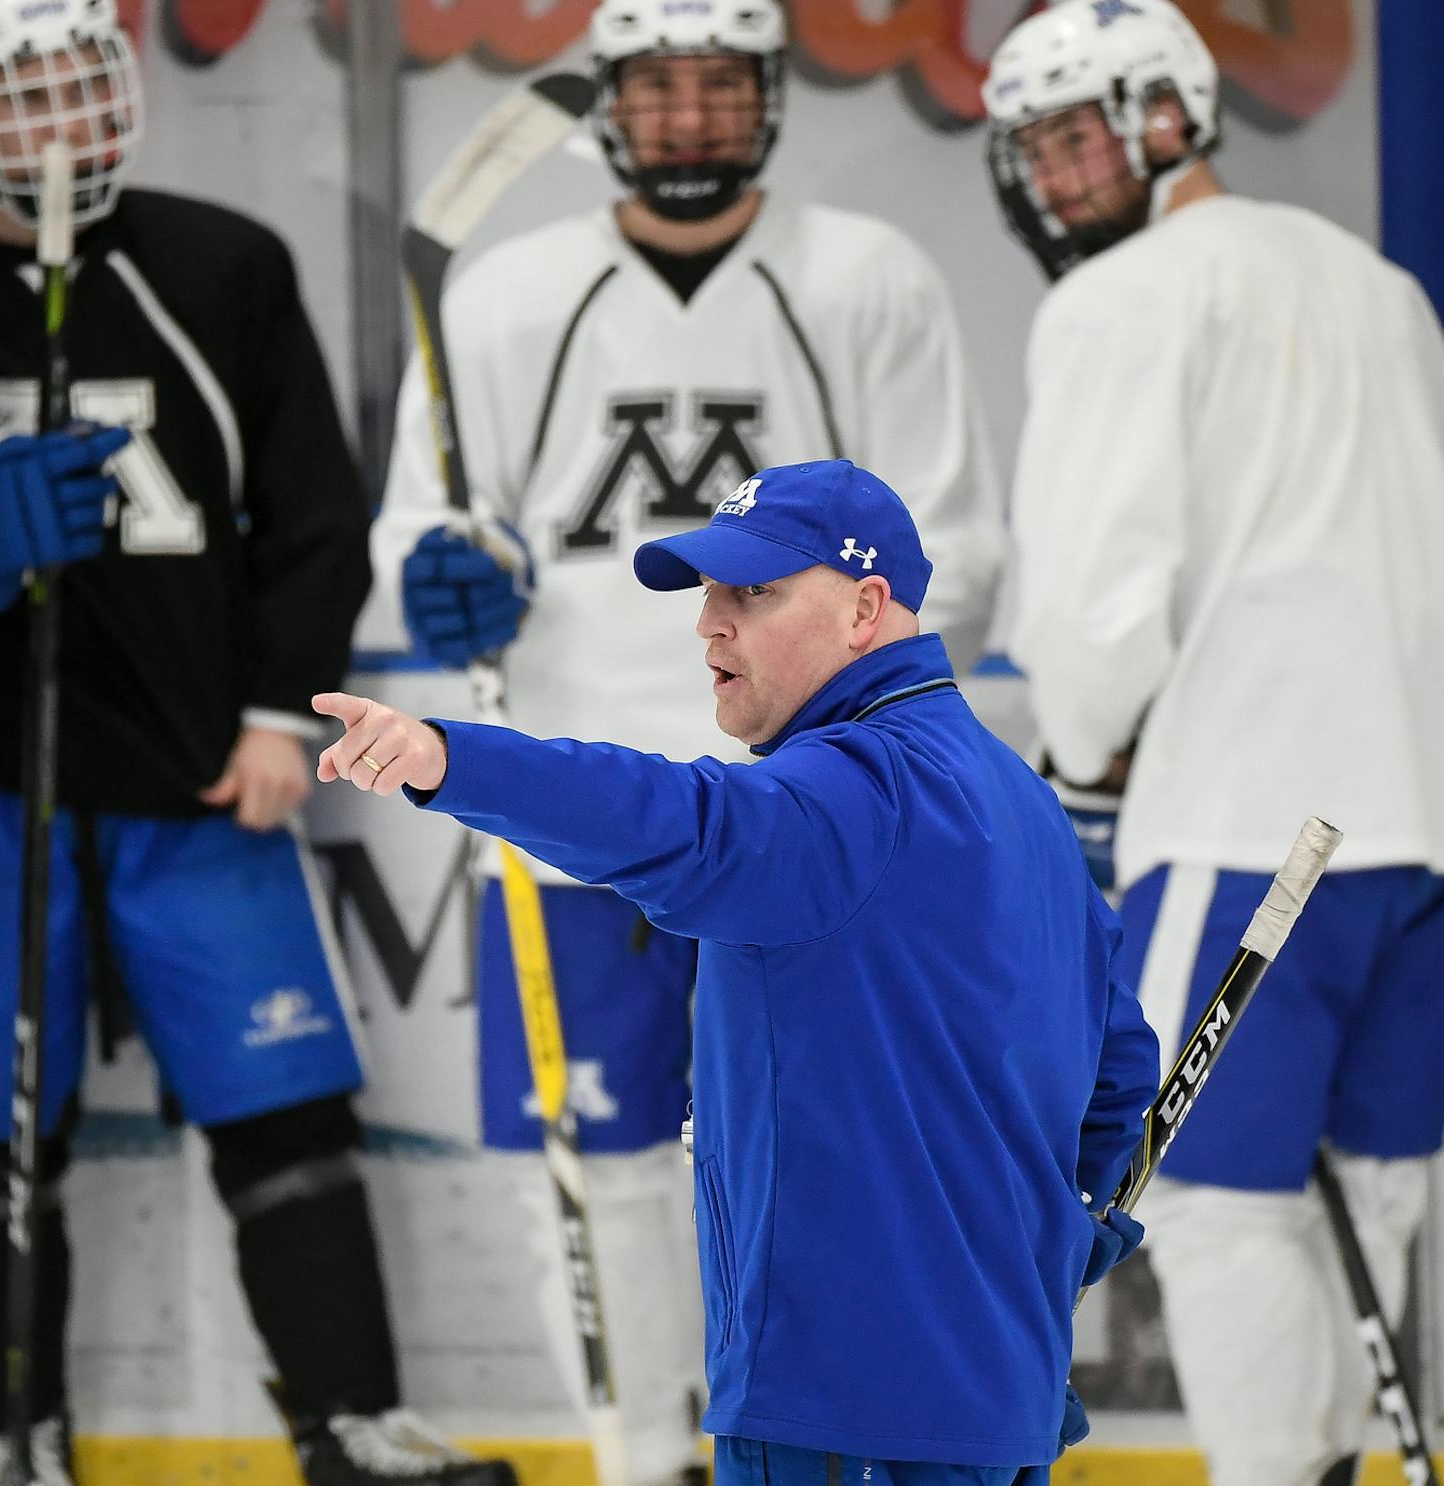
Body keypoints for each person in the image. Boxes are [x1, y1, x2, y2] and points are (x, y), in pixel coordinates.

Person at [0, 4, 518, 1484]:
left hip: (203, 774)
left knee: (289, 1113)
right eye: (11, 92)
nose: (51, 120)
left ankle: (351, 1416)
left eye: (73, 80)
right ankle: (18, 1438)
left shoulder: (224, 263)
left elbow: (314, 519)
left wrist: (283, 709)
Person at [365, 3, 1003, 1473]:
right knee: (595, 1174)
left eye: (722, 87)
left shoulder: (868, 279)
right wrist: (448, 570)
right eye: (662, 90)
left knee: (821, 1167)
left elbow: (953, 553)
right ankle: (645, 1457)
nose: (694, 118)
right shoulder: (509, 295)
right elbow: (424, 526)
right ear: (616, 108)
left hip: (809, 827)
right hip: (584, 813)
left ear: (768, 96)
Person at [320, 459, 1157, 1486]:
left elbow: (677, 819)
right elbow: (1116, 1082)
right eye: (710, 592)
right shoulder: (1023, 804)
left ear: (866, 608)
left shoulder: (847, 796)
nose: (711, 623)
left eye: (754, 593)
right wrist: (1036, 1287)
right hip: (998, 1408)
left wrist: (451, 761)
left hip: (833, 1411)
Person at [982, 4, 1444, 1483]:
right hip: (1424, 821)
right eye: (1036, 144)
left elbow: (1099, 599)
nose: (1056, 172)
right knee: (1380, 1186)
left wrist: (1085, 764)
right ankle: (1329, 1466)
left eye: (1079, 132)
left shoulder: (1113, 304)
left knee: (1217, 1203)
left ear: (1172, 114)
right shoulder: (1376, 283)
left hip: (1250, 823)